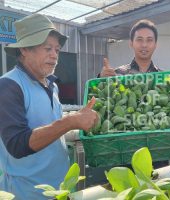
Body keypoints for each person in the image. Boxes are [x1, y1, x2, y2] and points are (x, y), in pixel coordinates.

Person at [0, 14, 99, 199]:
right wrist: (70, 121)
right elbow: (17, 144)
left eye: (57, 49)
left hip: (59, 188)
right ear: (24, 49)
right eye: (47, 48)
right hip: (27, 193)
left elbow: (49, 126)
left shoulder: (51, 85)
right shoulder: (9, 86)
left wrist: (77, 119)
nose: (54, 55)